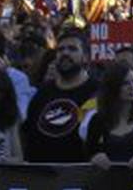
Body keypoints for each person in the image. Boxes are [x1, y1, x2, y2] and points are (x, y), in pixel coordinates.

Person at [22, 36, 93, 164]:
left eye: (72, 49)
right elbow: (28, 133)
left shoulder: (97, 91)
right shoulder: (42, 92)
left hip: (81, 175)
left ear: (85, 57)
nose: (65, 53)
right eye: (60, 50)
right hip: (42, 174)